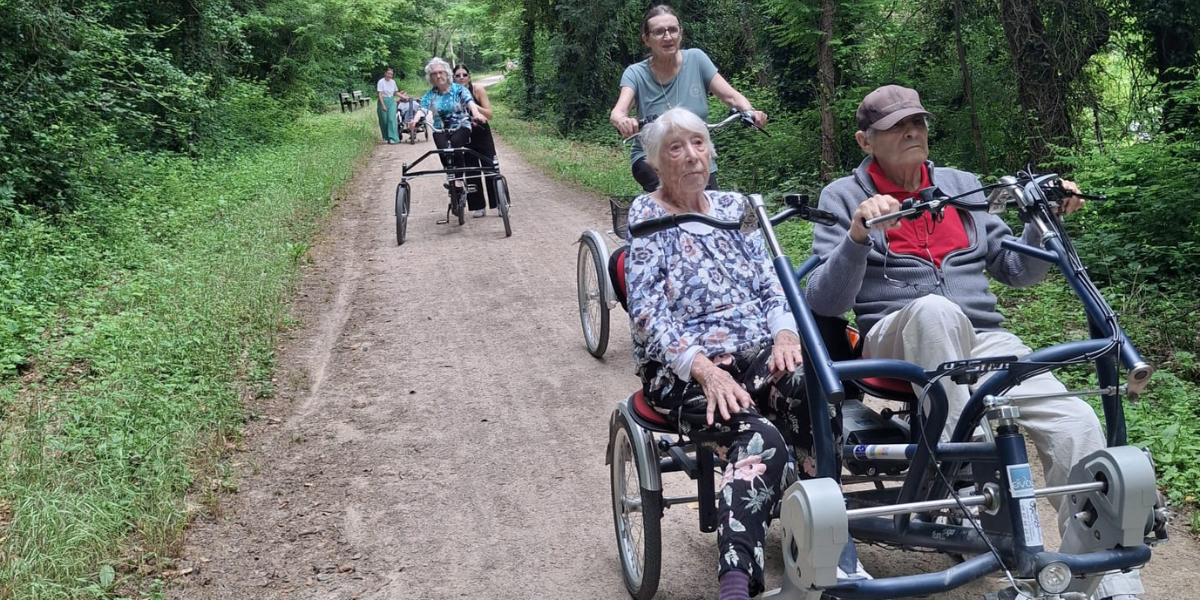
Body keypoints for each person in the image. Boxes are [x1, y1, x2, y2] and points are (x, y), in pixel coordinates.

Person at [805, 84, 1143, 600]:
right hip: (895, 336)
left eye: (917, 121)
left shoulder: (961, 185)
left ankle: (1101, 577)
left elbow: (1016, 270)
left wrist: (1040, 222)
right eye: (897, 126)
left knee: (1077, 421)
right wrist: (856, 236)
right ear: (865, 140)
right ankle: (970, 465)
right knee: (936, 311)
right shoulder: (844, 195)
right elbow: (825, 301)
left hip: (983, 340)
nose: (912, 131)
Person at [624, 108, 839, 600]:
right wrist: (703, 370)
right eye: (675, 148)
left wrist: (785, 336)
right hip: (685, 367)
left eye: (698, 143)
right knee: (758, 437)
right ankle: (736, 583)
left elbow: (771, 284)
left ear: (711, 151)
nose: (691, 155)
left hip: (753, 350)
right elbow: (647, 313)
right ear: (656, 164)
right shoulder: (647, 214)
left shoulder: (732, 207)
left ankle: (822, 538)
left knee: (816, 392)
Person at [609, 5, 767, 193]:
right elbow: (618, 112)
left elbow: (731, 96)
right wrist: (624, 121)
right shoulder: (635, 73)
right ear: (646, 39)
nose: (668, 37)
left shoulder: (697, 59)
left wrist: (750, 111)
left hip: (697, 156)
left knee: (712, 211)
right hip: (653, 157)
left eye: (673, 30)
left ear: (680, 33)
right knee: (675, 198)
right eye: (659, 32)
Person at [409, 57, 487, 195]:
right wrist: (415, 120)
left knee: (455, 143)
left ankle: (458, 180)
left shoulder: (458, 89)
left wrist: (476, 114)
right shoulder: (430, 94)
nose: (438, 76)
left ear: (447, 73)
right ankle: (450, 176)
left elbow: (470, 102)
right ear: (430, 77)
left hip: (461, 124)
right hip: (440, 127)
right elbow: (422, 109)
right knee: (442, 148)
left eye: (441, 72)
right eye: (434, 73)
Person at [453, 65, 500, 217]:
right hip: (464, 134)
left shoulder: (477, 90)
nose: (461, 78)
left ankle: (499, 203)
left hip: (481, 132)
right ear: (453, 78)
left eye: (464, 75)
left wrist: (472, 106)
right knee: (471, 171)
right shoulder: (451, 93)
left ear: (469, 77)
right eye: (458, 75)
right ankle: (478, 205)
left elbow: (490, 114)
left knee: (490, 167)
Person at [376, 67, 400, 144]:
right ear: (385, 73)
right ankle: (386, 137)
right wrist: (383, 105)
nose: (390, 75)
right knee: (384, 120)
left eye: (391, 74)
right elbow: (379, 94)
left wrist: (404, 97)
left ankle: (393, 138)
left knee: (391, 119)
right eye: (388, 74)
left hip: (391, 101)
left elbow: (396, 92)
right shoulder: (381, 82)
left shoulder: (393, 82)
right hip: (383, 100)